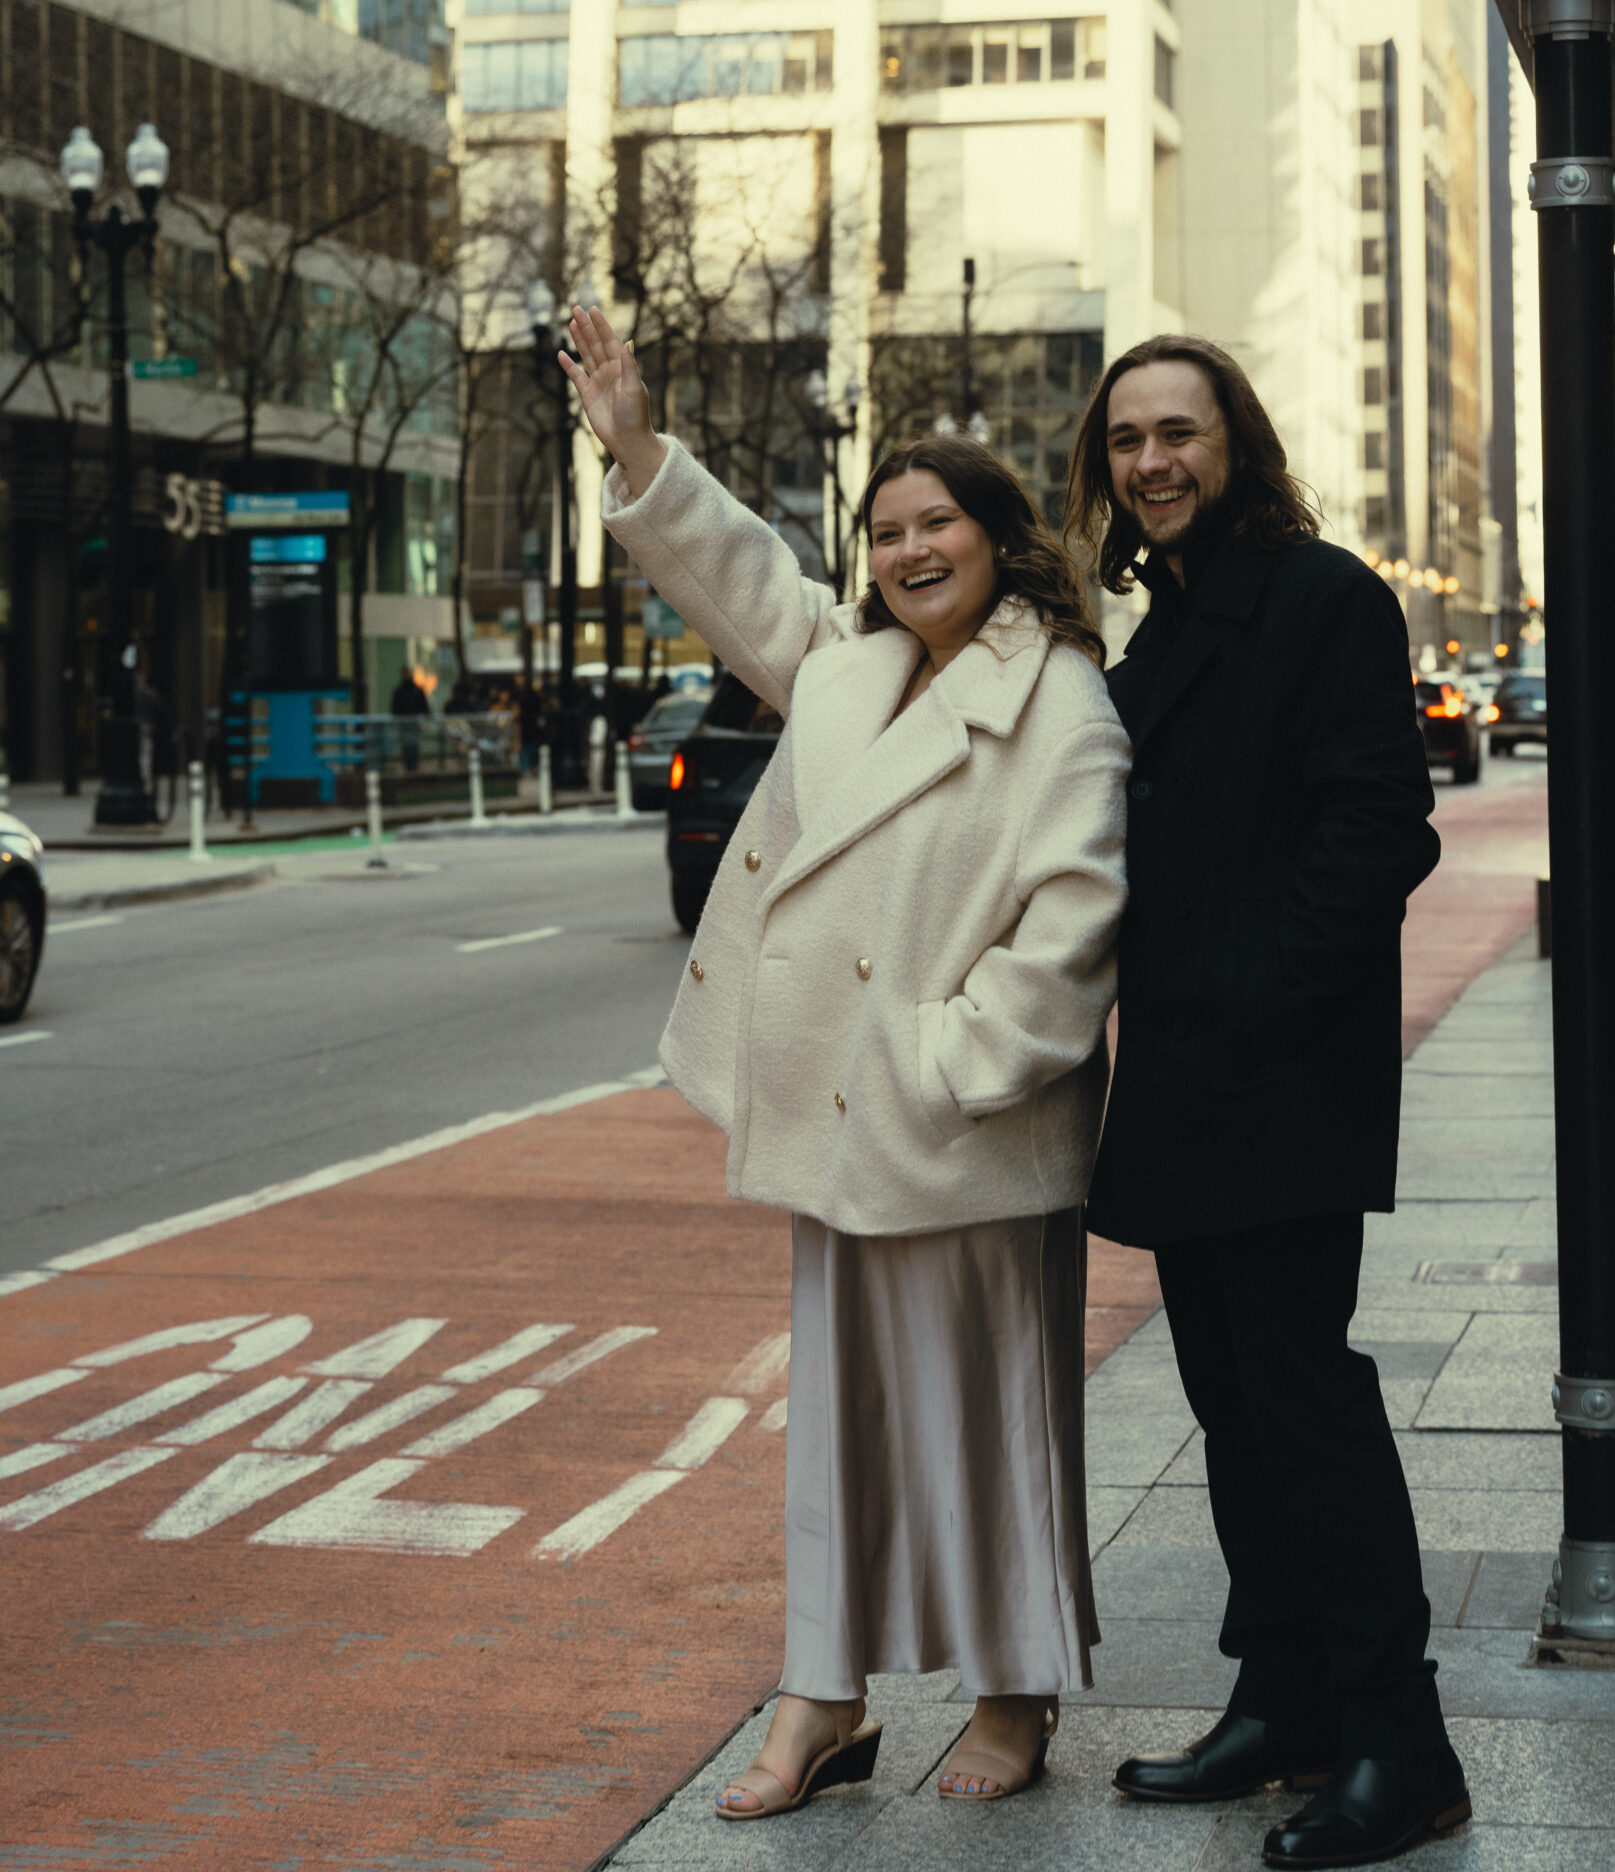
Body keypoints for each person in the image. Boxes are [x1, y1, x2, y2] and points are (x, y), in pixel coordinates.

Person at [562, 305, 1129, 1820]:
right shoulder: (844, 668)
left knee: (995, 1418)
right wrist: (633, 444)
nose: (904, 551)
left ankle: (1011, 1694)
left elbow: (1073, 921)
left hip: (965, 1123)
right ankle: (824, 1697)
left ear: (998, 538)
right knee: (836, 1428)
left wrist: (950, 1060)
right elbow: (742, 574)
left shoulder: (1059, 697)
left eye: (934, 522)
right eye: (883, 530)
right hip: (844, 1112)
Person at [1062, 336, 1468, 1871]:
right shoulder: (1151, 637)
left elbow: (1379, 831)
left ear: (1237, 442)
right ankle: (1284, 1695)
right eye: (1125, 443)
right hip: (1178, 1080)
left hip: (1278, 1076)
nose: (1150, 463)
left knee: (1301, 1402)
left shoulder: (1322, 598)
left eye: (1178, 433)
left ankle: (1399, 1739)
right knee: (1230, 1404)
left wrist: (1246, 992)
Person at [389, 663, 429, 774]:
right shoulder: (399, 691)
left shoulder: (417, 690)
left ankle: (414, 766)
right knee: (406, 745)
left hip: (414, 723)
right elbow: (394, 709)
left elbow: (425, 708)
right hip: (404, 724)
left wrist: (422, 721)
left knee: (414, 745)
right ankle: (408, 767)